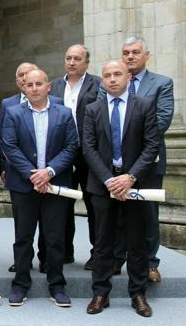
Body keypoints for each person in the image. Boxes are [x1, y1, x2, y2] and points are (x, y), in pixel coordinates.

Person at [82, 60, 159, 317]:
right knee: (102, 243)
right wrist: (109, 180)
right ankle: (100, 294)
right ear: (102, 80)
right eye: (107, 75)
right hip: (103, 185)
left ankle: (138, 293)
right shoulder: (92, 109)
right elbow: (89, 148)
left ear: (128, 76)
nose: (112, 79)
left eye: (117, 74)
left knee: (137, 241)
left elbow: (151, 146)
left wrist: (130, 177)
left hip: (134, 185)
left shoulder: (145, 105)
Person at [1, 69, 78, 307]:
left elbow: (71, 146)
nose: (34, 88)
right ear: (23, 88)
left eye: (39, 84)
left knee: (54, 238)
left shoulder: (64, 113)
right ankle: (21, 284)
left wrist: (49, 172)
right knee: (23, 238)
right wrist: (33, 175)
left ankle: (57, 285)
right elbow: (10, 146)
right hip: (24, 186)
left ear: (48, 87)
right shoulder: (13, 114)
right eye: (29, 84)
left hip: (55, 184)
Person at [113, 36, 174, 282]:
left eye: (135, 52)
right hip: (116, 162)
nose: (130, 56)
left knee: (147, 213)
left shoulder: (161, 83)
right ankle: (117, 259)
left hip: (149, 161)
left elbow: (163, 119)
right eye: (126, 52)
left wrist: (133, 149)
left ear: (146, 54)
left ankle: (150, 263)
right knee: (117, 213)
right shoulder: (112, 83)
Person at [49, 45, 101, 270]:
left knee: (93, 205)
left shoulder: (97, 84)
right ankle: (64, 251)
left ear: (86, 63)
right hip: (62, 155)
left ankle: (97, 252)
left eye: (77, 59)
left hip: (89, 155)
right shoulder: (55, 86)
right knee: (61, 205)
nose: (71, 62)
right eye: (68, 58)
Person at [0, 62, 41, 274]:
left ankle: (47, 258)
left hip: (48, 173)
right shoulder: (8, 104)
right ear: (17, 81)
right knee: (22, 222)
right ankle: (23, 261)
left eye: (29, 74)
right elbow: (6, 140)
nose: (25, 79)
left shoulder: (57, 104)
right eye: (21, 75)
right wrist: (8, 166)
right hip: (18, 171)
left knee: (49, 222)